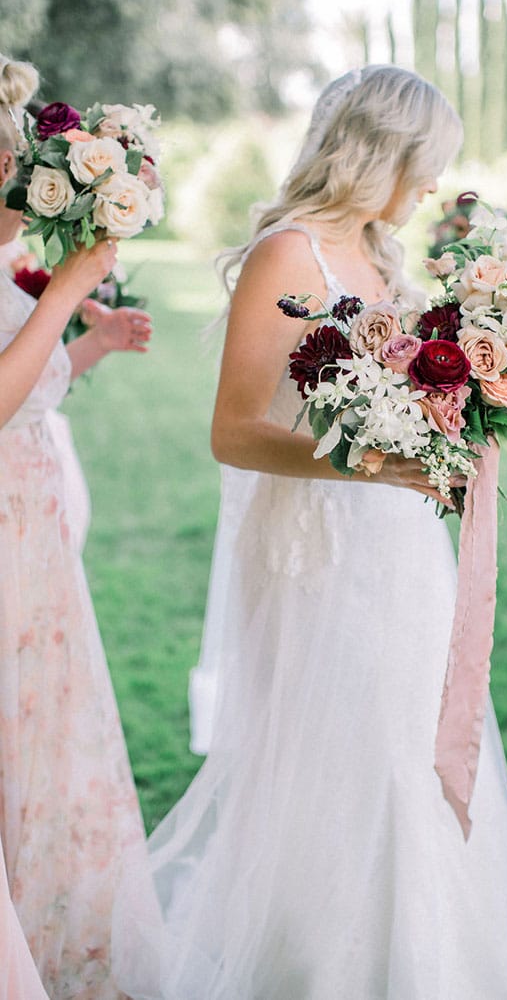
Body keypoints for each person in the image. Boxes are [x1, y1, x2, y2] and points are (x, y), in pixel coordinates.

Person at [112, 65, 507, 1000]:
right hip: (321, 550)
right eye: (427, 162)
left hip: (403, 548)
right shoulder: (290, 253)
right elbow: (232, 432)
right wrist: (366, 463)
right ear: (379, 152)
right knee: (347, 759)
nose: (435, 183)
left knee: (415, 742)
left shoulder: (379, 252)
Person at [0, 54, 152, 999]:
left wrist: (88, 340)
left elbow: (25, 388)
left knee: (30, 742)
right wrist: (64, 293)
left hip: (31, 536)